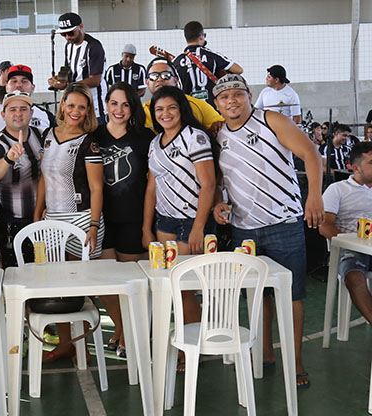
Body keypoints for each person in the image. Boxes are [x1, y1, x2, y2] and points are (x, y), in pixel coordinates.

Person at [212, 74, 324, 389]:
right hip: (244, 230)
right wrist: (218, 202)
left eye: (237, 94)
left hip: (283, 224)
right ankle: (265, 353)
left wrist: (314, 196)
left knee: (292, 295)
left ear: (250, 96)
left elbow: (311, 153)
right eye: (224, 97)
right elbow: (220, 180)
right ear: (217, 104)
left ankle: (296, 359)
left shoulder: (271, 120)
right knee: (257, 296)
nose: (231, 101)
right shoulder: (218, 136)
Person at [143, 86, 217, 369]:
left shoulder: (195, 137)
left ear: (181, 109)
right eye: (159, 109)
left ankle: (192, 349)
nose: (165, 114)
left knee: (183, 288)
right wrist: (146, 227)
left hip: (191, 221)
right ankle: (184, 343)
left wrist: (199, 227)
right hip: (165, 220)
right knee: (170, 287)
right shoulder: (155, 143)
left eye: (171, 108)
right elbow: (152, 187)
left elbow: (208, 184)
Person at [34, 83, 104, 363]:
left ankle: (87, 345)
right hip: (52, 218)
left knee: (84, 286)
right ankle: (65, 344)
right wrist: (38, 213)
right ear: (62, 105)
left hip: (81, 219)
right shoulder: (48, 135)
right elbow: (44, 178)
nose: (75, 111)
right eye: (71, 104)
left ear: (88, 111)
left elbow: (96, 188)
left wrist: (94, 225)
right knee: (57, 285)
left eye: (82, 107)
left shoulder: (89, 141)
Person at [96, 82, 155, 358]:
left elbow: (153, 184)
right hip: (101, 221)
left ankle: (129, 334)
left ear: (133, 108)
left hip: (133, 217)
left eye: (125, 104)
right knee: (105, 282)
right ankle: (122, 328)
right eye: (114, 103)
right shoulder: (94, 136)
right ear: (106, 104)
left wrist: (147, 226)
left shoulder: (145, 138)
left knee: (132, 283)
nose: (118, 110)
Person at [0, 90, 43, 267]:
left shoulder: (40, 134)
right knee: (19, 274)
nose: (18, 114)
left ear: (31, 113)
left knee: (44, 271)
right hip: (13, 223)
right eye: (12, 109)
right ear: (3, 115)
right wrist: (8, 158)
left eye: (23, 109)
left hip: (42, 219)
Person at [319, 142, 372, 325]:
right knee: (354, 276)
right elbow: (324, 225)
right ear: (356, 168)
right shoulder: (338, 189)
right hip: (351, 249)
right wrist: (350, 242)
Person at [48, 12, 108, 122]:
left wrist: (69, 86)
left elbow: (95, 80)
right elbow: (67, 70)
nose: (67, 37)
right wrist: (58, 79)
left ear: (80, 27)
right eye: (63, 34)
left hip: (94, 104)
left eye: (71, 33)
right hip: (75, 102)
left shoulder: (93, 46)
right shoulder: (68, 45)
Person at [142, 58, 223, 134]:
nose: (159, 79)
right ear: (147, 82)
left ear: (175, 80)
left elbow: (222, 125)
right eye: (153, 76)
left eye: (166, 75)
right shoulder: (141, 111)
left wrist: (215, 128)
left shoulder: (197, 104)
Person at [173, 20, 242, 105]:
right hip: (211, 107)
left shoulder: (176, 61)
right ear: (201, 37)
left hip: (189, 108)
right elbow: (239, 70)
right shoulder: (212, 55)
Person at [0, 65, 56, 135]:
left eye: (24, 81)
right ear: (6, 87)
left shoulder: (46, 115)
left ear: (33, 88)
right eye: (14, 81)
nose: (18, 85)